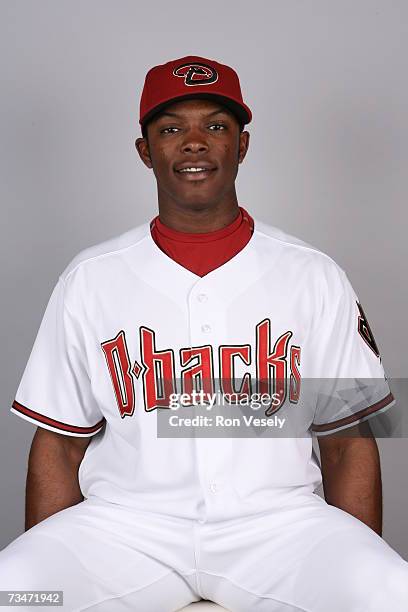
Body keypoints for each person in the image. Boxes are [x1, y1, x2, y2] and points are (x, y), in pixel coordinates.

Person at [0, 55, 407, 612]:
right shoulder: (90, 278)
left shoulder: (313, 274)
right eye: (171, 129)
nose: (194, 142)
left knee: (389, 592)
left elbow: (348, 441)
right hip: (125, 527)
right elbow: (58, 443)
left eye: (215, 125)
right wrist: (47, 556)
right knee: (16, 591)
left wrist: (358, 565)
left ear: (241, 145)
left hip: (279, 527)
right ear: (146, 152)